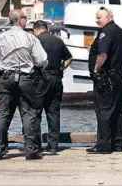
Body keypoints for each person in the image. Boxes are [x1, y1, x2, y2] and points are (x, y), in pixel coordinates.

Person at [0, 10, 48, 160]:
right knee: (28, 113)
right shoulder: (30, 38)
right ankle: (31, 150)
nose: (26, 21)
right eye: (25, 18)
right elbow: (42, 59)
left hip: (6, 77)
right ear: (20, 21)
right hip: (26, 78)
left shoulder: (1, 38)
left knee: (2, 112)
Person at [87, 6, 122, 154]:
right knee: (118, 111)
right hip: (119, 76)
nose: (96, 20)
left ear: (108, 17)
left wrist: (96, 69)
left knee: (104, 110)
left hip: (107, 78)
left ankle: (104, 145)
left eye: (99, 17)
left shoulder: (106, 32)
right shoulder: (120, 31)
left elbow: (103, 54)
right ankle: (117, 143)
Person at [33, 20, 73, 154]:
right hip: (56, 78)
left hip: (41, 79)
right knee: (54, 112)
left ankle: (36, 145)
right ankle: (53, 146)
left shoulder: (35, 40)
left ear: (36, 30)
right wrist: (61, 68)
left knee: (36, 112)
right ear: (46, 28)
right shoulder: (58, 41)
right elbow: (69, 58)